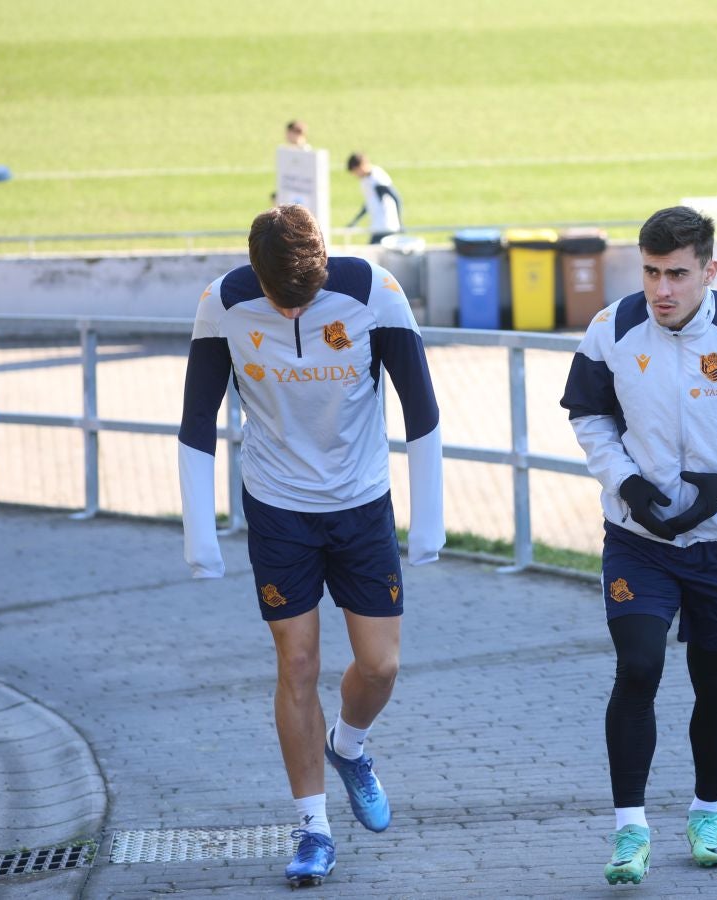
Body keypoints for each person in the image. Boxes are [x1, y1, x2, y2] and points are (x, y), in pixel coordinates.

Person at [177, 204, 443, 887]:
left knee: (380, 667)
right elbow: (196, 422)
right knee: (296, 666)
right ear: (255, 275)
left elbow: (422, 408)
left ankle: (348, 746)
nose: (291, 315)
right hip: (278, 509)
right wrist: (199, 536)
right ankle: (313, 828)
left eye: (303, 300)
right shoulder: (224, 305)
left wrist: (431, 522)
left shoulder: (372, 293)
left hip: (361, 506)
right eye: (278, 301)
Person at [559, 206, 717, 885]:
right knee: (638, 667)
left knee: (716, 678)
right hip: (638, 541)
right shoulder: (611, 329)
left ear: (709, 270)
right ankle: (629, 831)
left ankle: (707, 812)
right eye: (650, 272)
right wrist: (626, 483)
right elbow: (587, 414)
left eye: (677, 274)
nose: (662, 290)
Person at [345, 152, 403, 244]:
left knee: (372, 251)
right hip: (377, 225)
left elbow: (395, 197)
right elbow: (369, 203)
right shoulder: (365, 180)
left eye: (355, 171)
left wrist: (400, 223)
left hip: (386, 225)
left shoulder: (377, 178)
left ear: (361, 166)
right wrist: (355, 221)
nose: (356, 175)